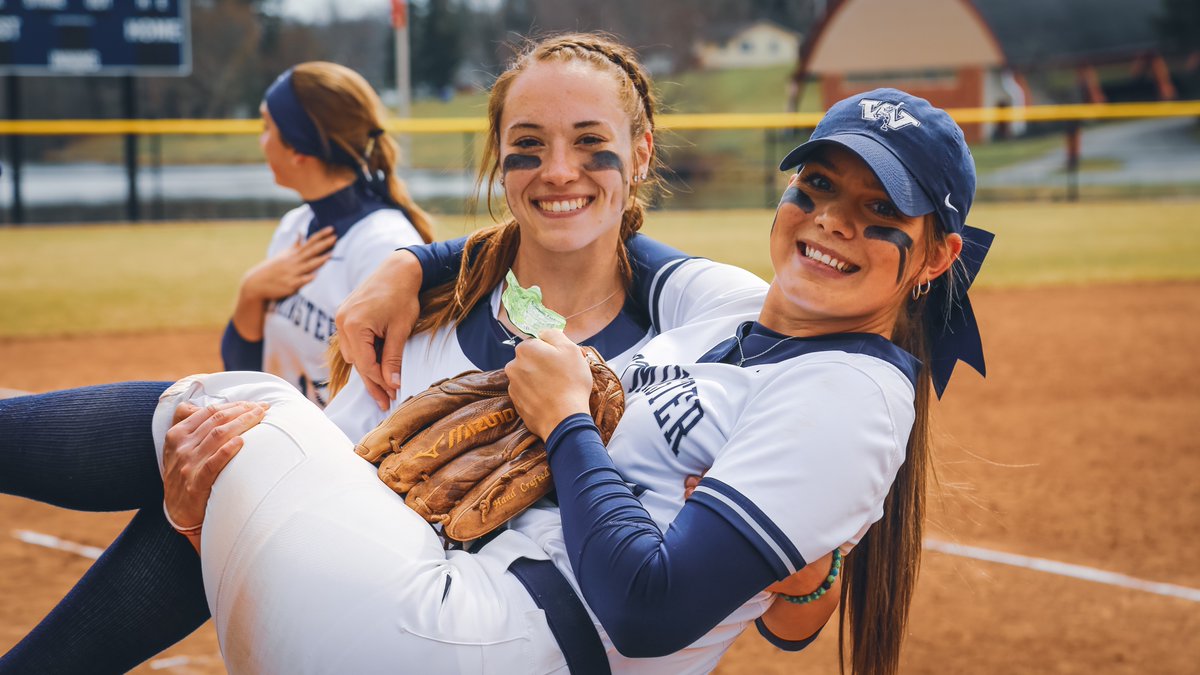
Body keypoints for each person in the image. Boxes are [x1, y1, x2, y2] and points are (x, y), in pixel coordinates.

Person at [0, 35, 826, 673]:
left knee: (235, 414)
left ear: (641, 152)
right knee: (226, 445)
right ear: (499, 160)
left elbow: (792, 625)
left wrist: (807, 575)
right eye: (527, 143)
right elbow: (334, 530)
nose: (558, 171)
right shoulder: (419, 321)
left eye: (589, 140)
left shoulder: (703, 334)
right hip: (384, 634)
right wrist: (197, 518)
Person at [151, 85, 992, 674]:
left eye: (883, 213)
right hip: (466, 599)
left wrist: (565, 423)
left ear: (938, 254)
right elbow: (590, 239)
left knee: (248, 415)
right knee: (215, 434)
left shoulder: (849, 393)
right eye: (816, 184)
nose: (834, 219)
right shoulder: (734, 306)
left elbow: (703, 613)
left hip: (514, 641)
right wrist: (413, 261)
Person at [221, 61, 433, 407]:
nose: (262, 141)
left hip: (339, 455)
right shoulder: (296, 227)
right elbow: (240, 373)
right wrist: (251, 292)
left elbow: (396, 397)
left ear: (298, 150)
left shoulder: (384, 246)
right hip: (281, 438)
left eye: (267, 126)